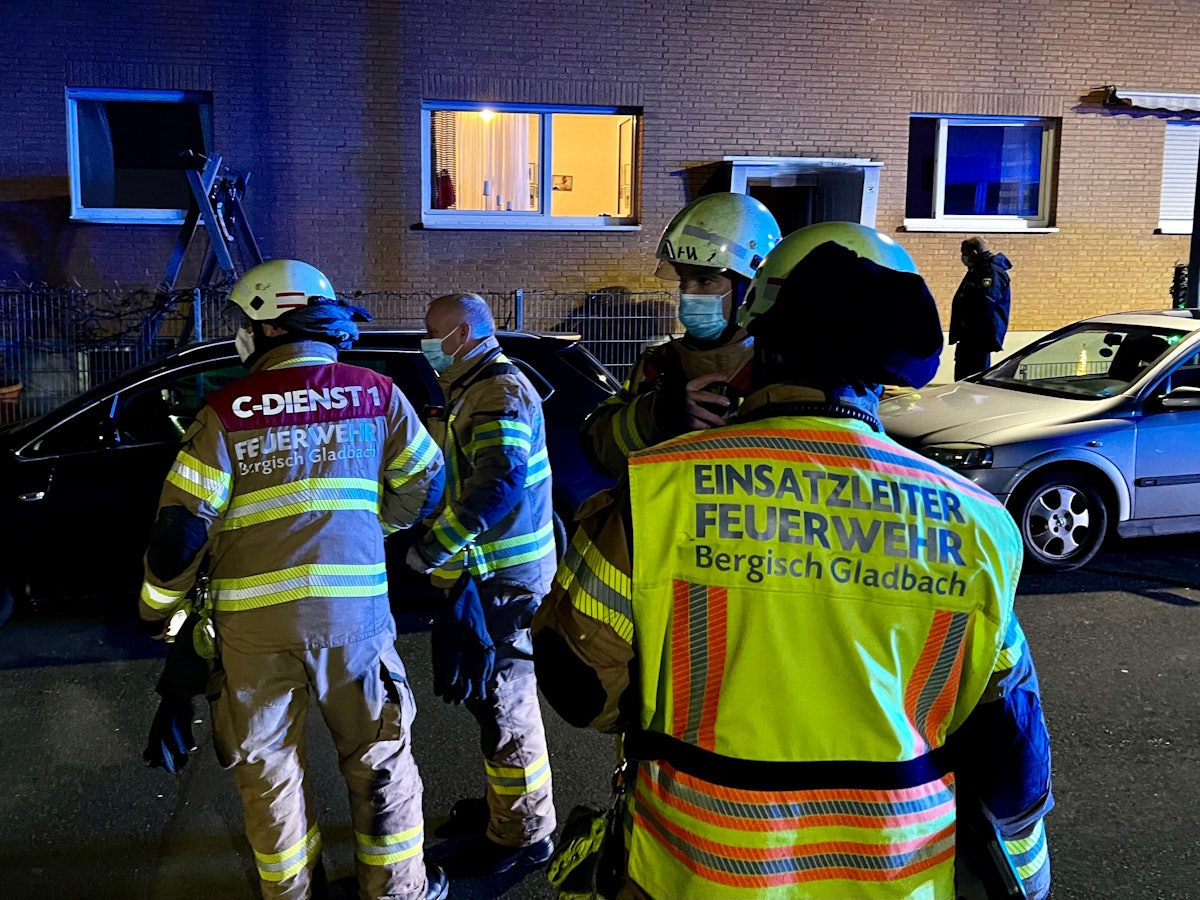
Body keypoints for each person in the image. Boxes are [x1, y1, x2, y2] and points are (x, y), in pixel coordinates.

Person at [533, 222, 1053, 900]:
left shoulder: (659, 490)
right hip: (897, 881)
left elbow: (578, 683)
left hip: (693, 873)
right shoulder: (978, 524)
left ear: (762, 341)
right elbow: (1009, 747)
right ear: (888, 366)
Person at [137, 259, 449, 900]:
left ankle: (292, 894)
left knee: (270, 773)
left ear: (268, 324)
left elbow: (180, 532)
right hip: (352, 621)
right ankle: (396, 892)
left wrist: (158, 610)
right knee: (378, 759)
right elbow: (428, 480)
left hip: (253, 633)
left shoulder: (225, 412)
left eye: (243, 322)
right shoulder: (375, 394)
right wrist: (374, 529)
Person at [406, 292, 558, 875]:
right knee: (494, 705)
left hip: (503, 585)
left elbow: (496, 486)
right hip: (491, 581)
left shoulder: (497, 391)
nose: (425, 342)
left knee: (505, 706)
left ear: (464, 334)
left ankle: (523, 835)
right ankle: (510, 811)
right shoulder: (477, 386)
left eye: (431, 332)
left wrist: (427, 552)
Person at [579, 192, 780, 476]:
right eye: (683, 278)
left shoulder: (778, 368)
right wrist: (656, 415)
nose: (687, 292)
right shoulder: (658, 362)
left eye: (705, 279)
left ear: (751, 287)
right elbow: (599, 451)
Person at [950, 235, 1013, 380]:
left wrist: (967, 323)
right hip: (969, 335)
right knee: (963, 375)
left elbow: (986, 303)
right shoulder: (978, 269)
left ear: (974, 253)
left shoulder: (991, 272)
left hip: (978, 336)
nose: (963, 257)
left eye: (964, 253)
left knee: (974, 376)